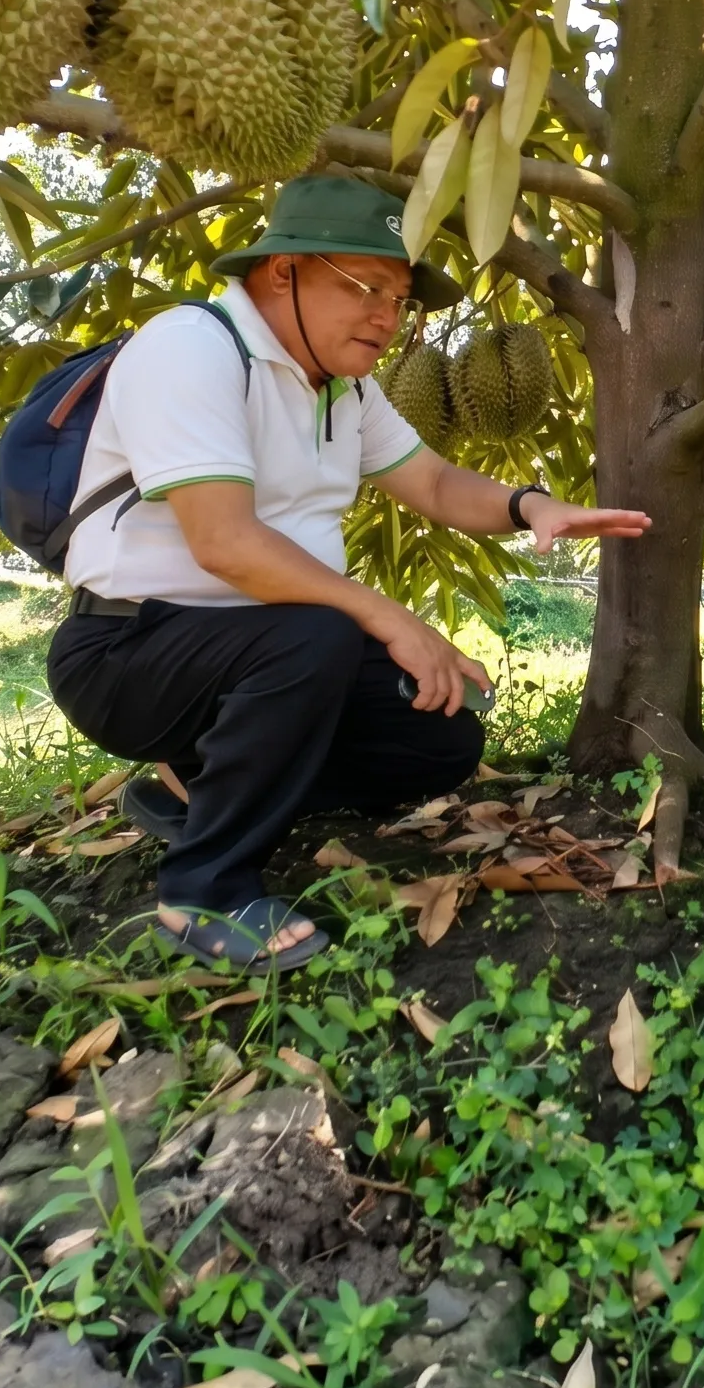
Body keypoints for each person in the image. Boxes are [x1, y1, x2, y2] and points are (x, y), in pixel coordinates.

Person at [46, 174, 651, 970]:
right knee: (318, 634)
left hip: (269, 651)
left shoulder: (344, 389)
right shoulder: (191, 347)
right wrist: (389, 616)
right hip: (129, 654)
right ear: (282, 271)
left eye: (398, 299)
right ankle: (204, 891)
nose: (386, 317)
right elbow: (224, 543)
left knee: (440, 736)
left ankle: (194, 787)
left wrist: (530, 505)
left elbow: (433, 482)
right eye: (366, 288)